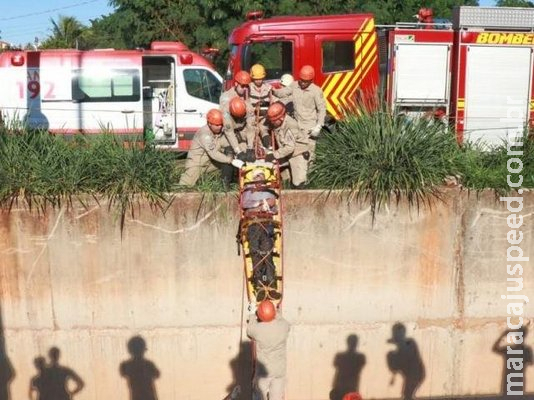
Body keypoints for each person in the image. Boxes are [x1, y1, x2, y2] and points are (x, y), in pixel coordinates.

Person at [273, 65, 326, 162]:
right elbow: (283, 92)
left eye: (305, 81)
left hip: (309, 128)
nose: (302, 83)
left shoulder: (316, 91)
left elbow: (321, 109)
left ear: (311, 80)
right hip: (296, 126)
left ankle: (310, 174)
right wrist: (273, 91)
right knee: (296, 154)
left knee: (309, 154)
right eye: (301, 80)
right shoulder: (294, 85)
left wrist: (318, 126)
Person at [179, 109, 244, 187]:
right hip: (197, 164)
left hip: (211, 163)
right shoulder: (204, 134)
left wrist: (238, 153)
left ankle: (226, 185)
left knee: (228, 160)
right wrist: (230, 160)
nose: (220, 127)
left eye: (221, 124)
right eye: (217, 125)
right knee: (184, 187)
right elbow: (214, 154)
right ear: (209, 123)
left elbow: (226, 143)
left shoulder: (218, 132)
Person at [241, 168, 280, 300]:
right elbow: (245, 207)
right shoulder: (248, 191)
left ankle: (271, 285)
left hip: (267, 225)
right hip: (253, 225)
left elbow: (274, 207)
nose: (260, 178)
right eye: (257, 176)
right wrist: (259, 206)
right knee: (256, 254)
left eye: (262, 175)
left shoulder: (269, 191)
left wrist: (268, 206)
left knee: (267, 254)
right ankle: (259, 285)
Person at [247, 300, 290, 400]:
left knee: (258, 396)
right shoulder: (283, 326)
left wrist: (252, 313)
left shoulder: (258, 329)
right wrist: (276, 310)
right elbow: (283, 321)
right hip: (279, 371)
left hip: (263, 372)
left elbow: (249, 330)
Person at [264, 102, 310, 188]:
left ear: (281, 118)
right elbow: (262, 125)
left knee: (298, 184)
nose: (272, 123)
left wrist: (274, 155)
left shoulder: (290, 125)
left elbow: (290, 147)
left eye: (274, 121)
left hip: (297, 154)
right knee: (285, 182)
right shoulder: (277, 121)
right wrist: (265, 135)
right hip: (285, 154)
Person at [120, 336, 160, 400]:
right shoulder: (148, 364)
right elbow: (157, 374)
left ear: (130, 350)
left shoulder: (126, 365)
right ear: (144, 349)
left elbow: (123, 372)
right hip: (149, 396)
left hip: (137, 396)